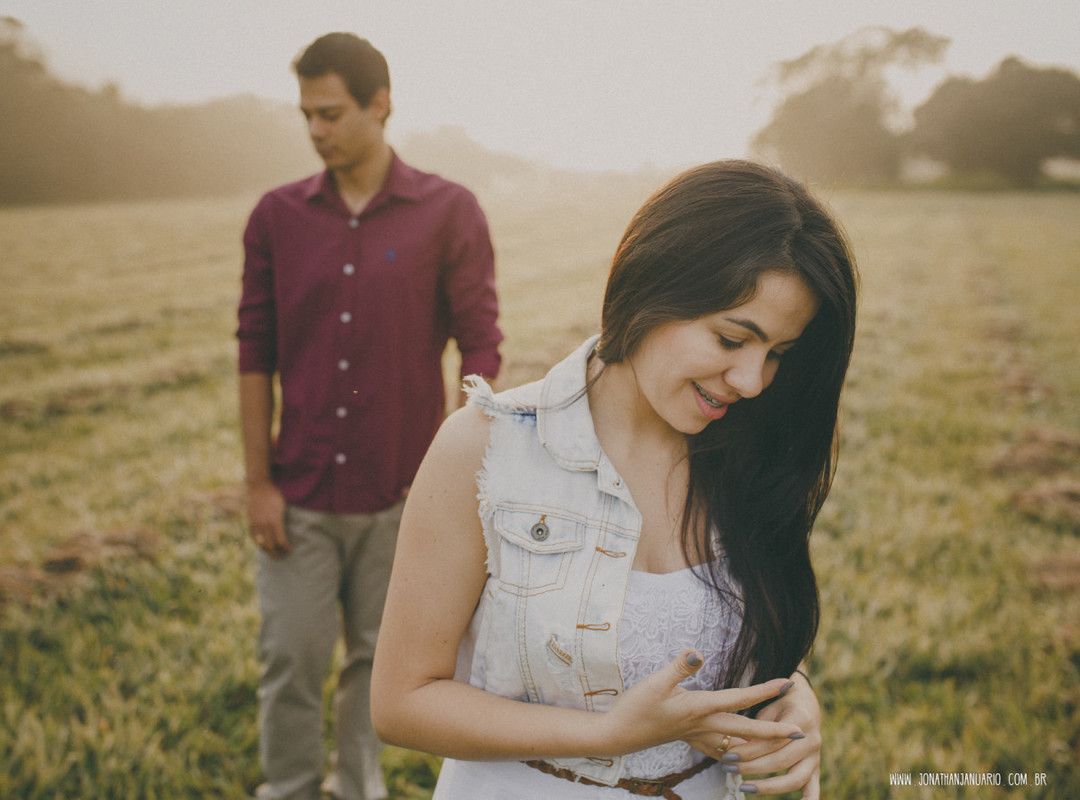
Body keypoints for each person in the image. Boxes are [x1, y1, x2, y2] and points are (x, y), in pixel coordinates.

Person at [371, 160, 857, 799]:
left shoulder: (750, 453)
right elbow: (402, 702)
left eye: (778, 355)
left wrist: (794, 696)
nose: (752, 381)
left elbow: (745, 635)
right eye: (732, 338)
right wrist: (608, 734)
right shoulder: (487, 448)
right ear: (656, 287)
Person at [236, 32, 503, 800]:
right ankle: (287, 788)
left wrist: (455, 471)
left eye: (330, 113)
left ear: (380, 105)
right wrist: (258, 483)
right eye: (306, 115)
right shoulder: (276, 217)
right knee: (289, 655)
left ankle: (357, 789)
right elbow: (255, 352)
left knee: (374, 664)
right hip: (300, 494)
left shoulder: (450, 211)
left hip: (402, 497)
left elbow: (480, 343)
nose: (316, 130)